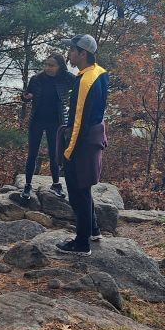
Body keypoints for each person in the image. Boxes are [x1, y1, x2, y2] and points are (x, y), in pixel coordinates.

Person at [55, 34, 108, 256]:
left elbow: (78, 121)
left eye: (72, 50)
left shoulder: (85, 82)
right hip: (93, 138)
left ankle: (81, 243)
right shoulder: (99, 73)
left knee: (78, 192)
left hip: (82, 143)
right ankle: (93, 230)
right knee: (84, 188)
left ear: (82, 53)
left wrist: (69, 150)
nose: (69, 54)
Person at [21, 53, 76, 200]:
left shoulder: (66, 78)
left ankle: (56, 184)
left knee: (55, 155)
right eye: (46, 64)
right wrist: (26, 97)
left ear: (60, 66)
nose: (47, 68)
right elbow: (26, 94)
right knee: (32, 154)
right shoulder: (36, 79)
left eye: (51, 65)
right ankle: (27, 186)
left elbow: (80, 88)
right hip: (37, 121)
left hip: (56, 123)